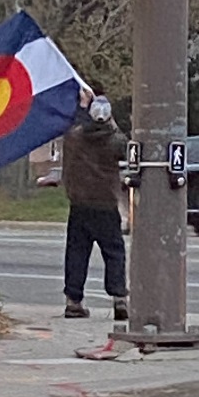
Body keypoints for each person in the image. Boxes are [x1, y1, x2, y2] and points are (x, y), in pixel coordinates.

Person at [61, 88, 128, 320]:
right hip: (105, 204)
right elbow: (124, 146)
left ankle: (73, 301)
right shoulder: (115, 141)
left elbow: (74, 129)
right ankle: (119, 298)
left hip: (79, 203)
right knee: (114, 252)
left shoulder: (74, 138)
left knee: (77, 253)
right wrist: (112, 123)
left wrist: (82, 107)